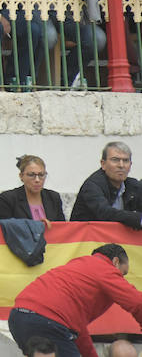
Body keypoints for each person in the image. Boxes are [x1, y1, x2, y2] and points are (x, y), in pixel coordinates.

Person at [10, 244, 142, 357]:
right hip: (48, 322)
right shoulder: (104, 268)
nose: (121, 279)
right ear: (115, 262)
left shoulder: (78, 268)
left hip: (19, 318)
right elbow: (137, 302)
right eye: (122, 274)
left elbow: (78, 330)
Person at [71, 141, 142, 227]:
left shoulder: (133, 185)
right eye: (115, 160)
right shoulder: (92, 185)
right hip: (88, 238)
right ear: (103, 164)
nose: (121, 165)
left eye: (125, 160)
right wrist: (139, 219)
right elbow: (105, 213)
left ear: (130, 165)